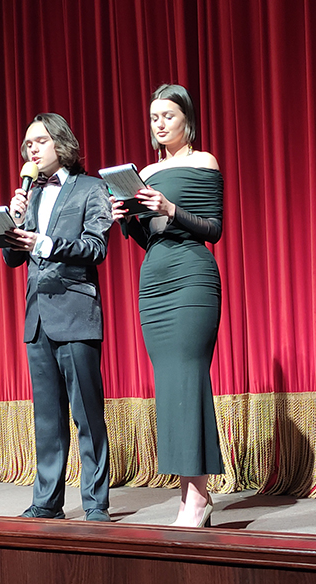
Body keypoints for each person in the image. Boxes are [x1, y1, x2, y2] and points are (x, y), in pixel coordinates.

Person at [111, 84, 224, 527]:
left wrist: (170, 207)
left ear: (186, 120)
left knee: (189, 378)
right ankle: (194, 497)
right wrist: (127, 221)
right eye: (154, 117)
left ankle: (194, 500)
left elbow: (212, 229)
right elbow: (151, 239)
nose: (159, 124)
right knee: (169, 386)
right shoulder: (147, 172)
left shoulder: (204, 162)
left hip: (191, 276)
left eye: (168, 116)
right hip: (154, 279)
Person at [3, 113, 113, 522]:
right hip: (37, 318)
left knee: (87, 415)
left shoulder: (91, 188)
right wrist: (14, 220)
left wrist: (46, 242)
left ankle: (95, 503)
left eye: (40, 141)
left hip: (76, 313)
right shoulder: (30, 195)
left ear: (61, 144)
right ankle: (47, 501)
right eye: (28, 143)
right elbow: (12, 258)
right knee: (47, 419)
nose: (31, 149)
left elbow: (96, 248)